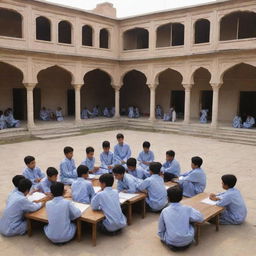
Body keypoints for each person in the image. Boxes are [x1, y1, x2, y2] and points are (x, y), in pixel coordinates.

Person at [158, 186, 204, 251]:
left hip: (171, 241)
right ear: (182, 197)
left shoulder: (164, 211)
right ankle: (185, 241)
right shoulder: (187, 208)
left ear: (168, 198)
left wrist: (163, 238)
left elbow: (161, 229)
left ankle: (173, 244)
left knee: (167, 225)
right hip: (187, 241)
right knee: (192, 221)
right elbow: (201, 218)